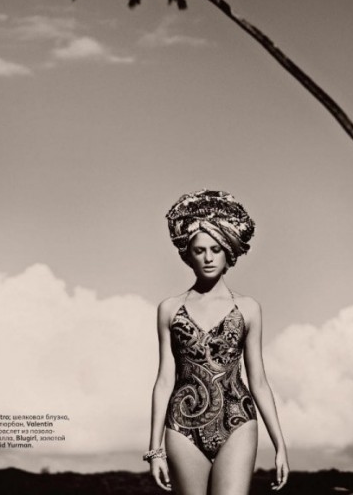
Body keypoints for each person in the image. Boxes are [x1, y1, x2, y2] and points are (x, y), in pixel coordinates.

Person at [144, 189, 289, 495]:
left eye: (216, 249)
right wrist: (155, 449)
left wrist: (280, 445)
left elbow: (259, 381)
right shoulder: (169, 309)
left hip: (238, 421)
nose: (208, 258)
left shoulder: (248, 309)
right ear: (188, 255)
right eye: (199, 250)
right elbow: (164, 379)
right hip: (182, 427)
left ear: (229, 253)